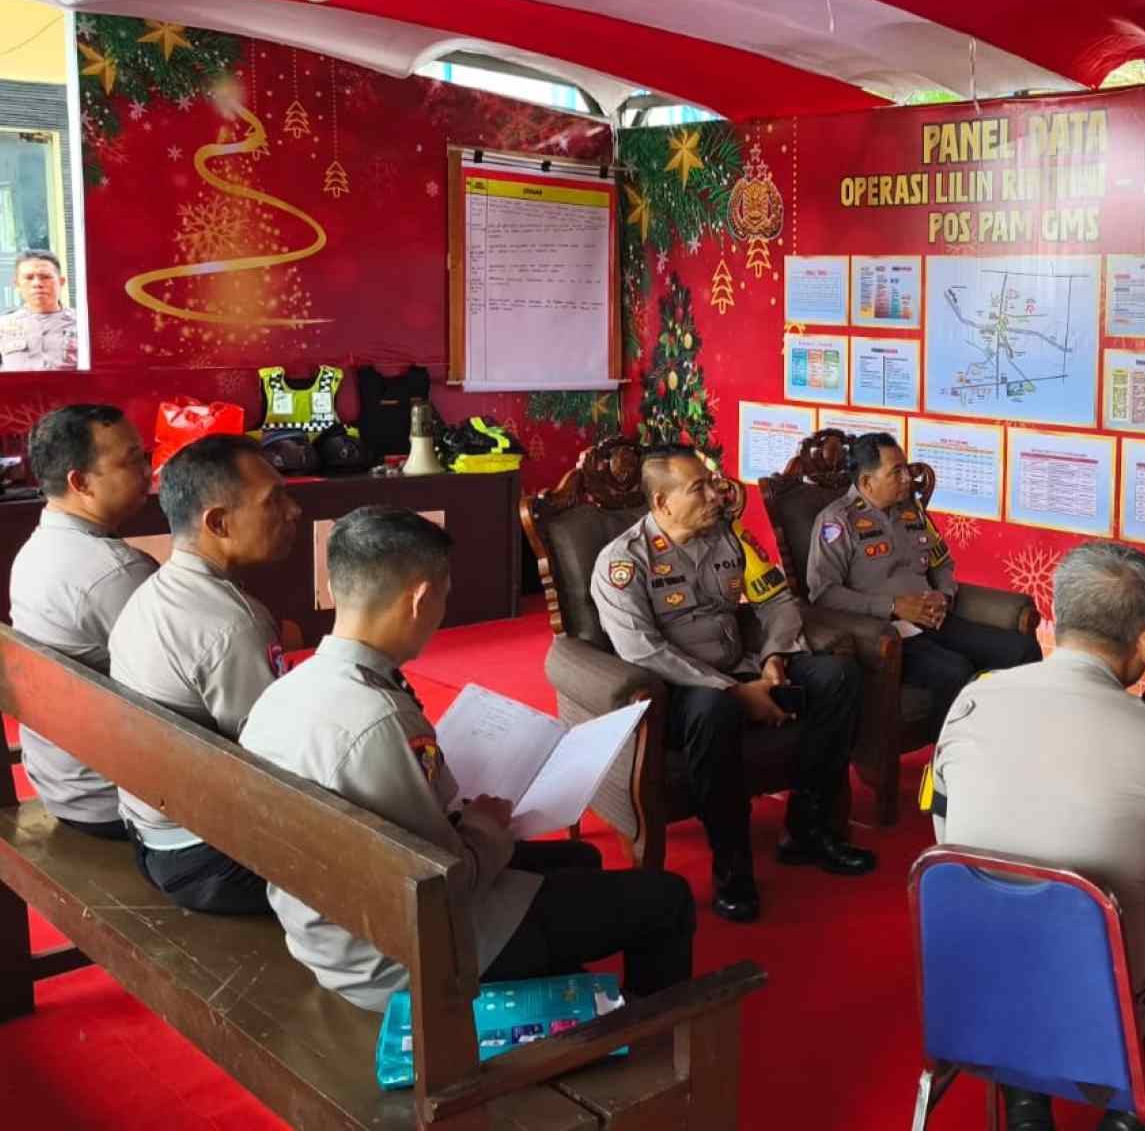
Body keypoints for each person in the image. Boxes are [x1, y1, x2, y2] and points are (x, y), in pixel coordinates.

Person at [242, 506, 697, 1011]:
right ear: (421, 599)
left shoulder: (283, 692)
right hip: (409, 952)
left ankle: (561, 990)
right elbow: (445, 883)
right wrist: (485, 825)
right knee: (668, 898)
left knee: (582, 860)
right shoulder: (381, 720)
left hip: (326, 928)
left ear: (335, 587)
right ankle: (648, 1033)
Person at [924, 542, 1145, 1131]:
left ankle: (1026, 1108)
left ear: (1055, 613)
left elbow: (948, 843)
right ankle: (1129, 1119)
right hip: (1106, 1016)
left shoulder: (971, 700)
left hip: (973, 993)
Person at [592, 445, 872, 924]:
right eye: (698, 488)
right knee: (714, 711)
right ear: (662, 503)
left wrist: (774, 657)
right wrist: (733, 692)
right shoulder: (624, 562)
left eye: (711, 483)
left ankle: (808, 829)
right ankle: (732, 870)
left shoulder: (729, 535)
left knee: (838, 676)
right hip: (674, 691)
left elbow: (777, 601)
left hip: (741, 666)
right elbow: (642, 650)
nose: (715, 495)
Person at [107, 434, 300, 915]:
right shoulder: (234, 624)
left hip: (150, 830)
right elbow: (280, 762)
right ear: (218, 523)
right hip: (206, 860)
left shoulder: (153, 590)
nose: (293, 512)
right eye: (274, 501)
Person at [806, 432, 1040, 731]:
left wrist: (944, 594)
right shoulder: (837, 521)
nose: (908, 478)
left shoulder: (911, 511)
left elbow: (941, 562)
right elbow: (824, 594)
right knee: (954, 671)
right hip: (885, 634)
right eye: (896, 472)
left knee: (1022, 650)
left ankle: (1018, 739)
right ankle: (951, 753)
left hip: (934, 619)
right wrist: (892, 606)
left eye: (906, 468)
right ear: (867, 482)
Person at [8, 405, 156, 838]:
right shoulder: (114, 573)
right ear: (81, 482)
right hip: (112, 800)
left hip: (62, 782)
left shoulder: (37, 548)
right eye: (132, 460)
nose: (147, 471)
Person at [0, 250, 79, 371]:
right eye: (29, 278)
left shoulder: (83, 325)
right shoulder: (3, 326)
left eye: (45, 277)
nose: (37, 283)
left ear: (61, 281)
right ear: (17, 284)